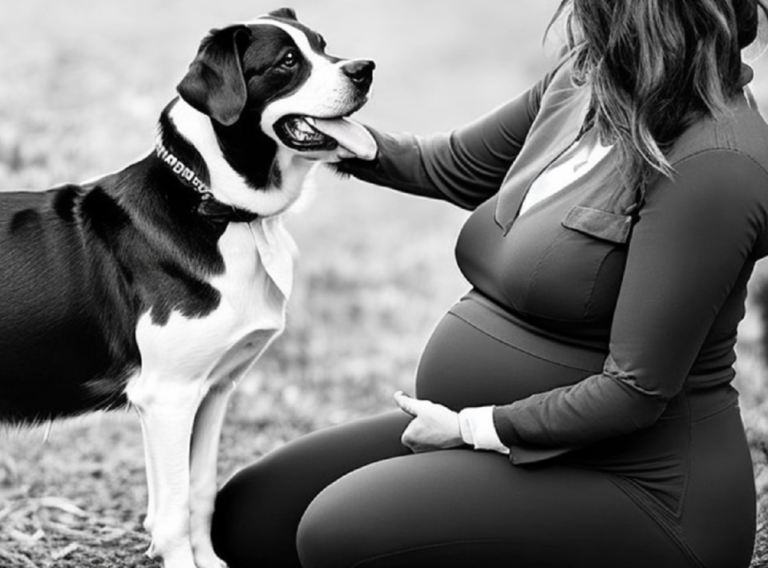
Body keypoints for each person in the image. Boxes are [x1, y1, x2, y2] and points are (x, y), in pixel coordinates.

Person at [210, 1, 768, 567]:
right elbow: (450, 164)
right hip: (499, 441)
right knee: (249, 517)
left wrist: (472, 428)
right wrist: (321, 129)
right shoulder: (586, 82)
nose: (576, 16)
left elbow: (634, 392)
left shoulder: (716, 163)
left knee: (336, 533)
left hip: (638, 488)